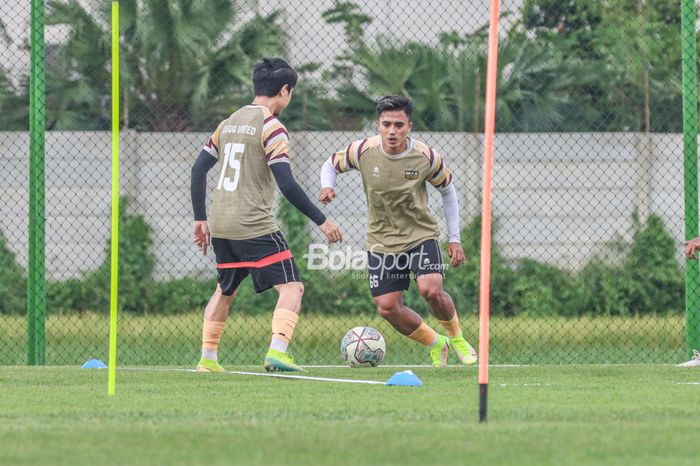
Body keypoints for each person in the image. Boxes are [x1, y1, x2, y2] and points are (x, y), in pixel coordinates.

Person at [190, 57, 342, 373]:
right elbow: (286, 182)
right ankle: (277, 351)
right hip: (254, 224)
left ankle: (208, 359)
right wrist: (322, 220)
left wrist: (200, 219)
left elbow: (198, 169)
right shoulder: (272, 127)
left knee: (225, 288)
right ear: (284, 91)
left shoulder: (228, 122)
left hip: (221, 222)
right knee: (292, 287)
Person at [318, 95, 477, 367]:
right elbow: (330, 164)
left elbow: (448, 191)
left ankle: (457, 338)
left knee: (431, 290)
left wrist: (454, 239)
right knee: (387, 307)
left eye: (399, 125)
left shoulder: (425, 156)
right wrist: (326, 186)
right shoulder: (362, 150)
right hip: (381, 241)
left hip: (420, 235)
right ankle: (437, 343)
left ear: (409, 127)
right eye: (386, 124)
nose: (392, 131)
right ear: (378, 125)